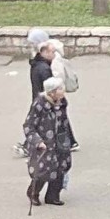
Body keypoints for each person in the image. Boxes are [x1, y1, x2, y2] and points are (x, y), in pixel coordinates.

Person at [24, 77, 72, 208]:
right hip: (45, 143)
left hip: (60, 140)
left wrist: (69, 139)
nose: (63, 91)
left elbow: (64, 121)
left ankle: (53, 196)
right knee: (43, 170)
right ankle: (33, 192)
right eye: (60, 89)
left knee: (61, 167)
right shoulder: (39, 104)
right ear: (52, 92)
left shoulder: (62, 102)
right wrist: (37, 141)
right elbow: (29, 126)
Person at [47, 39, 80, 152]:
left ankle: (68, 142)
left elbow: (58, 78)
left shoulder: (55, 62)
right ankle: (70, 142)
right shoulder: (56, 60)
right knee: (61, 119)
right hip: (57, 94)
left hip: (56, 94)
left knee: (59, 119)